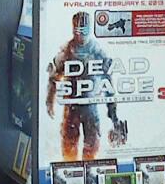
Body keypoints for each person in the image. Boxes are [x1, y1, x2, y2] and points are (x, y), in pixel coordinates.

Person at [46, 11, 122, 161]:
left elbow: (108, 85)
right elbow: (54, 77)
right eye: (77, 30)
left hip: (90, 106)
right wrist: (50, 100)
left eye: (83, 30)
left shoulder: (98, 53)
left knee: (91, 149)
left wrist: (113, 113)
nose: (80, 35)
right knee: (69, 149)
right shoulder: (66, 52)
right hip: (71, 106)